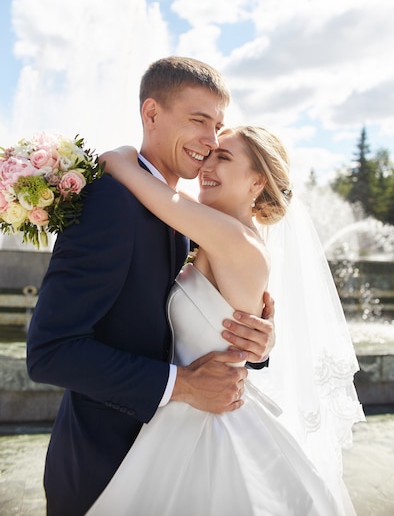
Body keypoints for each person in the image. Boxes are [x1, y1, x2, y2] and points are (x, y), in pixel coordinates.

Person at [26, 57, 276, 516]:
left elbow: (185, 320)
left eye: (218, 126)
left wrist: (252, 346)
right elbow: (49, 351)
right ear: (152, 114)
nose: (210, 140)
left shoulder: (185, 216)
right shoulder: (110, 203)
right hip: (105, 466)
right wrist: (182, 384)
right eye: (198, 120)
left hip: (185, 465)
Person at [86, 125, 363, 516]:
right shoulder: (226, 234)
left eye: (224, 158)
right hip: (191, 405)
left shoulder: (235, 241)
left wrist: (123, 156)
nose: (206, 166)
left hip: (206, 423)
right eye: (210, 155)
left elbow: (135, 179)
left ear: (257, 182)